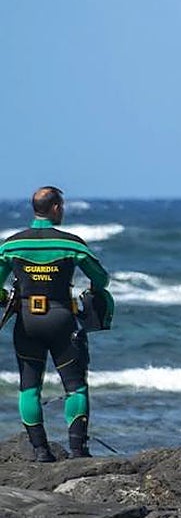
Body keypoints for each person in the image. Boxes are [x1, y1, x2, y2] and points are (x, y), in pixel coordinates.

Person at [0, 186, 110, 460]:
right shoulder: (71, 244)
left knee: (29, 387)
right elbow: (101, 279)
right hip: (62, 320)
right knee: (75, 386)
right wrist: (95, 292)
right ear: (57, 208)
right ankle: (77, 450)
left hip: (27, 322)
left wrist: (6, 298)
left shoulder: (11, 245)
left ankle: (40, 451)